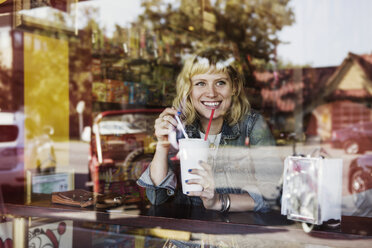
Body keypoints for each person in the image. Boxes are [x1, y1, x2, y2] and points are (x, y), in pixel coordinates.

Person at [137, 48, 277, 213]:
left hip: (239, 234)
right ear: (189, 89)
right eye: (200, 83)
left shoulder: (252, 125)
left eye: (220, 83)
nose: (211, 93)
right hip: (188, 236)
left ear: (234, 87)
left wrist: (219, 202)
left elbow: (274, 196)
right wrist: (162, 144)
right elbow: (156, 198)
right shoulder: (179, 127)